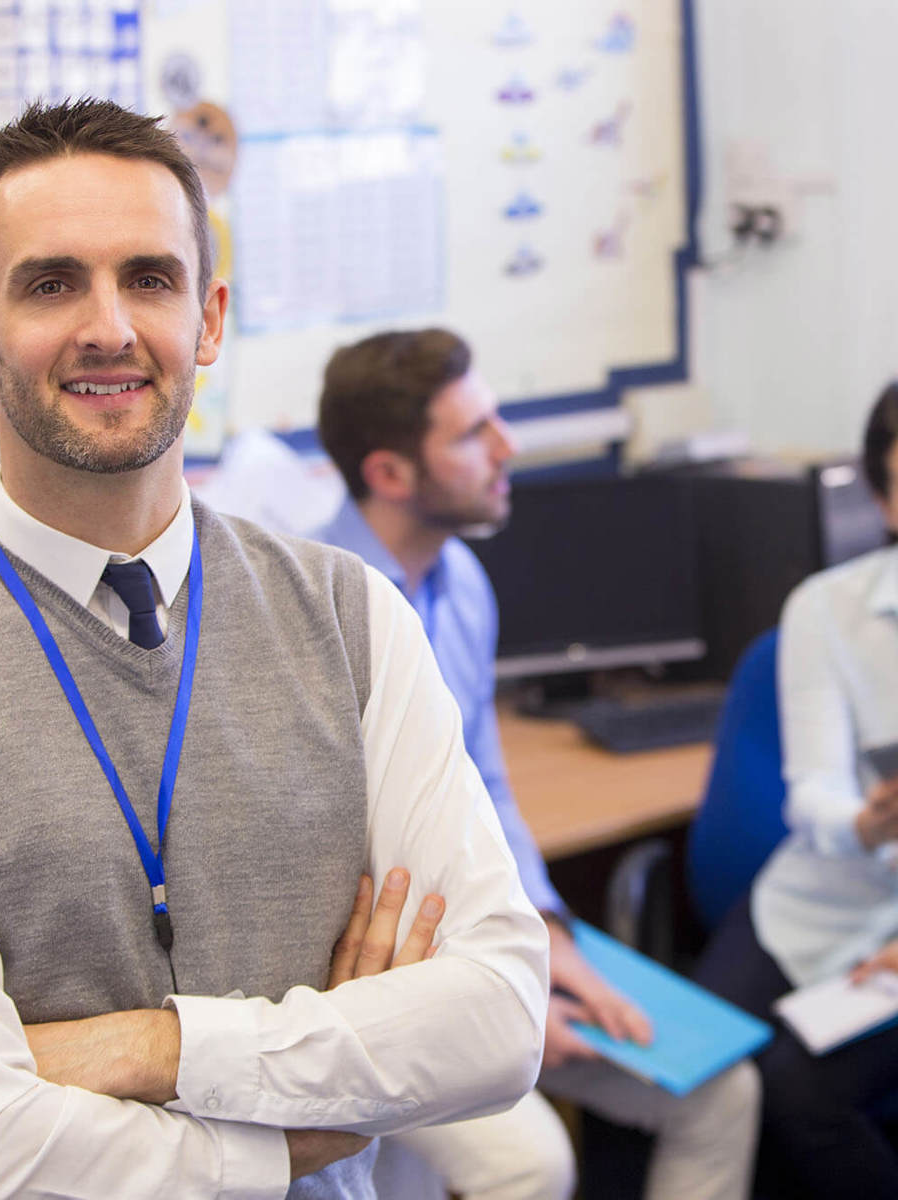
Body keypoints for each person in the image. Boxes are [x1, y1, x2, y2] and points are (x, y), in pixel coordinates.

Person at [0, 99, 550, 1200]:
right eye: (51, 284)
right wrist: (280, 1138)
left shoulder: (353, 616)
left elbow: (497, 1019)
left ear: (209, 318)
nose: (109, 327)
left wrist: (152, 1047)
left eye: (150, 278)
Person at [316, 328, 761, 1200]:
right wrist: (506, 993)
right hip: (378, 976)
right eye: (473, 433)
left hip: (488, 940)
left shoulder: (463, 583)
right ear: (391, 475)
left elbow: (487, 788)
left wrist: (551, 938)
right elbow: (336, 871)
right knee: (533, 1165)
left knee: (722, 1092)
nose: (507, 447)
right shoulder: (315, 608)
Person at [693, 382, 898, 1198]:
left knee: (801, 1092)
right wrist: (866, 822)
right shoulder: (827, 610)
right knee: (697, 1067)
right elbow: (810, 793)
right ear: (884, 499)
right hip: (813, 902)